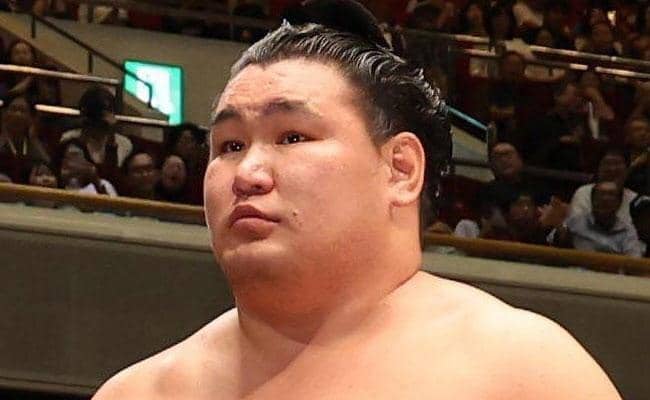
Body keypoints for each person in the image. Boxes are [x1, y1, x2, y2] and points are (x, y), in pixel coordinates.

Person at [92, 1, 622, 399]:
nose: (247, 173)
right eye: (230, 146)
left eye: (292, 137)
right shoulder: (140, 393)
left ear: (400, 169)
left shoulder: (524, 373)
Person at [59, 85, 132, 184]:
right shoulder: (69, 139)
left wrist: (111, 137)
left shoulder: (124, 144)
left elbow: (114, 179)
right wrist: (83, 137)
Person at [553, 181, 643, 257]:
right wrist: (559, 226)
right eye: (601, 195)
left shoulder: (627, 231)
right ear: (592, 200)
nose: (605, 199)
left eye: (611, 195)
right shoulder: (576, 222)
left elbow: (634, 262)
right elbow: (555, 243)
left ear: (619, 203)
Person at [569, 148, 637, 224]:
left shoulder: (636, 200)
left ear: (627, 170)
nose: (612, 169)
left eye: (617, 164)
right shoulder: (583, 193)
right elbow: (576, 226)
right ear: (598, 169)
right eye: (607, 163)